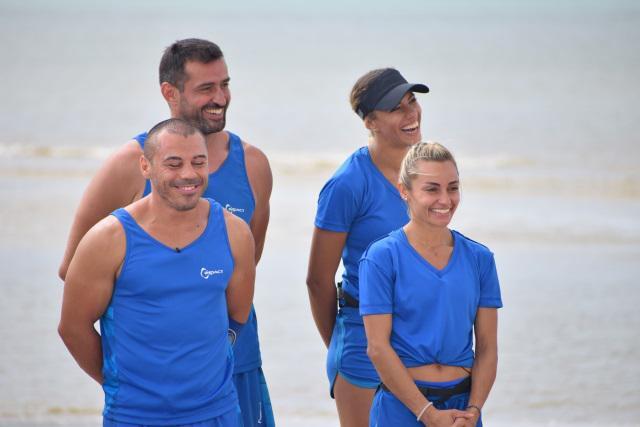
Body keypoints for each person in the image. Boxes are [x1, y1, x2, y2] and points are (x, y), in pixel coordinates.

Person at [58, 39, 274, 426]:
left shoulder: (254, 164)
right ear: (170, 93)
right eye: (206, 88)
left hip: (234, 368)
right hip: (147, 393)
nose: (220, 98)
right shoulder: (128, 163)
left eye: (225, 85)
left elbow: (245, 267)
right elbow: (75, 271)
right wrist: (123, 381)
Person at [306, 68, 429, 426]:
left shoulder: (425, 171)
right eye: (396, 108)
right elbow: (317, 279)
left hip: (418, 336)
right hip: (363, 342)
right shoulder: (347, 184)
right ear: (370, 122)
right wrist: (343, 345)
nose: (411, 113)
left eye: (412, 101)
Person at [359, 142, 503, 426]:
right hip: (401, 409)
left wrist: (473, 411)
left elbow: (487, 347)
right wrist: (428, 414)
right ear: (404, 191)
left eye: (453, 188)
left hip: (463, 409)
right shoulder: (381, 257)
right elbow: (377, 348)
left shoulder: (480, 258)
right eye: (432, 189)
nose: (445, 199)